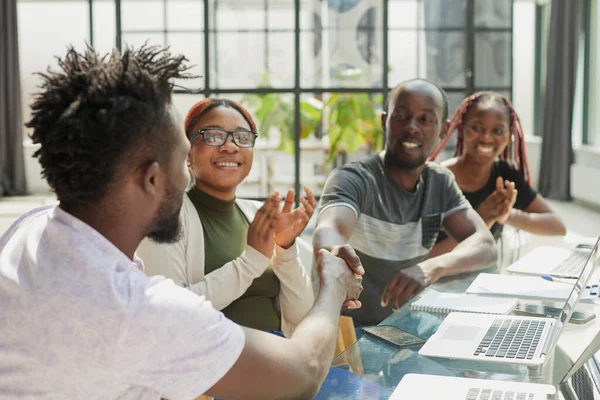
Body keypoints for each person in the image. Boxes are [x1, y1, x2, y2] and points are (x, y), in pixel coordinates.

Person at [0, 44, 363, 400]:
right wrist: (331, 281)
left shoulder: (27, 230)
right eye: (183, 156)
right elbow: (301, 374)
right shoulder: (138, 311)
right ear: (154, 179)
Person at [313, 78, 497, 327]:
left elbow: (485, 244)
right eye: (400, 116)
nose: (411, 128)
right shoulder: (353, 178)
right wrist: (332, 250)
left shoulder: (440, 182)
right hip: (344, 333)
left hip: (404, 331)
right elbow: (330, 228)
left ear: (443, 130)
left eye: (425, 119)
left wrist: (431, 267)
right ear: (384, 122)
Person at [137, 98, 316, 337]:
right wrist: (250, 263)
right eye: (213, 136)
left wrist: (285, 248)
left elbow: (299, 314)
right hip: (213, 365)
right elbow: (171, 314)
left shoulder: (256, 214)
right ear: (187, 152)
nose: (229, 146)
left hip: (277, 357)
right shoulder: (164, 219)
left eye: (242, 137)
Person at [427, 92, 566, 258]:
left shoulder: (505, 176)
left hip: (484, 276)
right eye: (477, 128)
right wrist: (483, 219)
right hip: (438, 280)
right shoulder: (436, 179)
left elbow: (558, 226)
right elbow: (427, 260)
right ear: (461, 129)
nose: (486, 138)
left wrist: (506, 215)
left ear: (509, 138)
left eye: (498, 131)